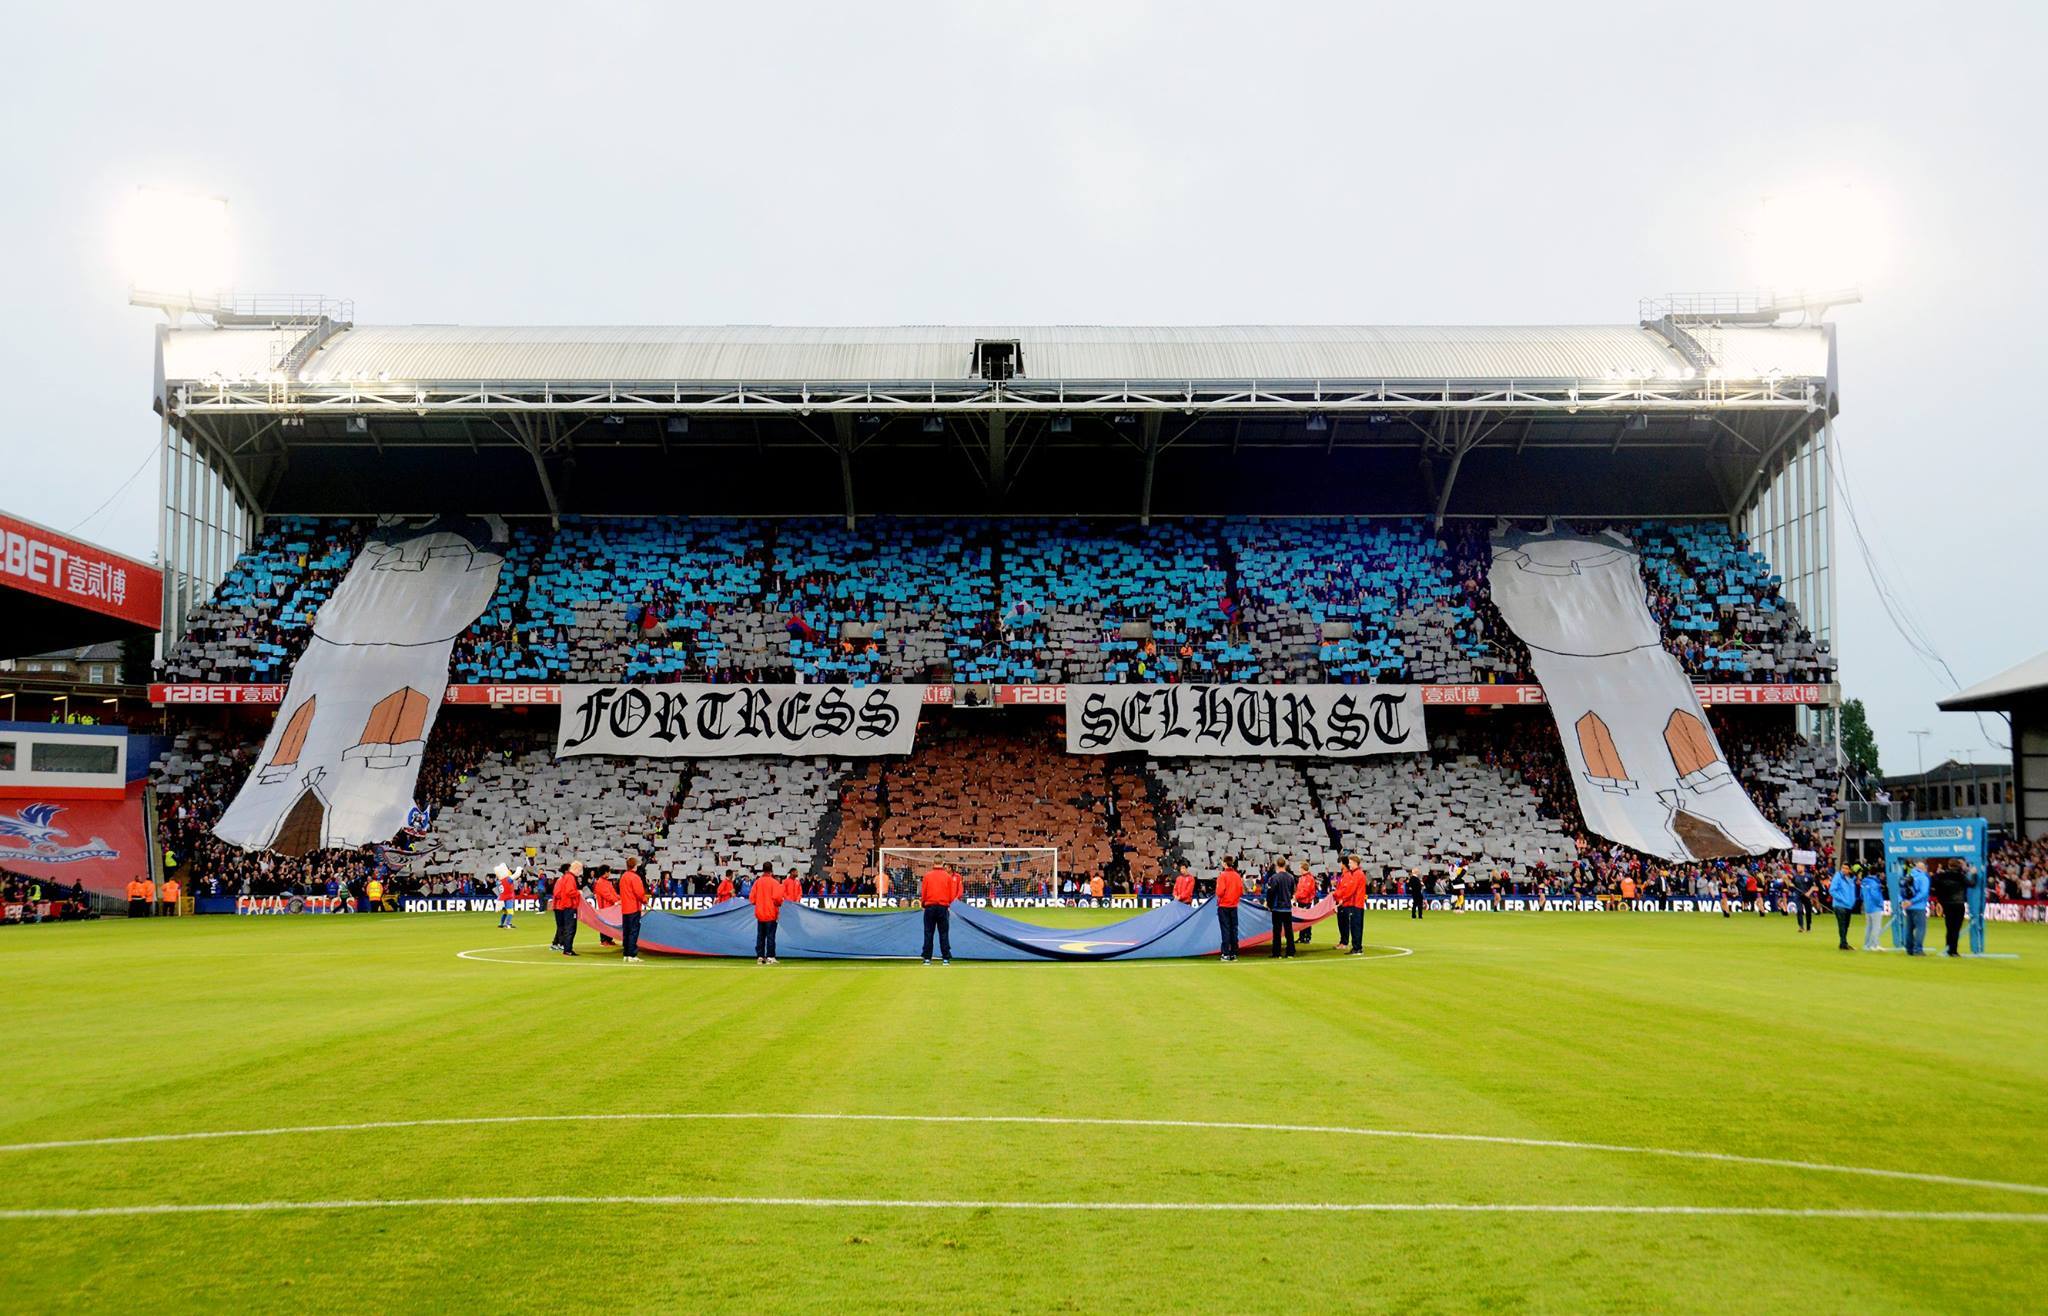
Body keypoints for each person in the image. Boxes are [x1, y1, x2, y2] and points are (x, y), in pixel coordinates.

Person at [920, 861, 959, 964]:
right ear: (942, 863)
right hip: (943, 907)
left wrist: (923, 904)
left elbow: (924, 892)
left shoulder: (927, 876)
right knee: (944, 933)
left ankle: (927, 958)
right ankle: (946, 958)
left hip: (930, 907)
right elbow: (951, 894)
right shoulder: (947, 876)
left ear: (933, 863)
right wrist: (948, 904)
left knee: (928, 932)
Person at [1932, 862, 1969, 958]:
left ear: (1949, 865)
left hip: (1947, 904)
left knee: (1949, 928)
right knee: (1956, 929)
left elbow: (1935, 884)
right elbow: (1971, 884)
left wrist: (1937, 873)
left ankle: (1948, 948)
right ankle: (1953, 951)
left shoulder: (1943, 875)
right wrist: (1973, 874)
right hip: (1958, 904)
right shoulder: (1960, 876)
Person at [750, 868, 785, 964]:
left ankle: (760, 957)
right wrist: (778, 904)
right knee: (770, 936)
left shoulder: (757, 882)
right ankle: (770, 956)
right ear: (771, 871)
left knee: (760, 936)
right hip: (771, 913)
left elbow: (752, 899)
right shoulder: (774, 883)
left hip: (760, 913)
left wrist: (759, 903)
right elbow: (778, 898)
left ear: (763, 870)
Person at [1335, 855, 1367, 955]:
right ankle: (1356, 947)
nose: (1349, 864)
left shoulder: (1357, 874)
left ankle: (1357, 948)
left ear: (1355, 863)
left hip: (1355, 904)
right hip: (1357, 903)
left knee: (1355, 927)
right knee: (1355, 926)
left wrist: (1343, 899)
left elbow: (1351, 890)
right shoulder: (1358, 873)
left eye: (1350, 863)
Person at [1263, 859, 1296, 959]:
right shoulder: (1291, 877)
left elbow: (1271, 892)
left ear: (1277, 865)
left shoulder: (1274, 878)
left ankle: (1277, 953)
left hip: (1277, 908)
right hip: (1287, 907)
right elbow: (1292, 891)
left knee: (1277, 931)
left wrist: (1269, 904)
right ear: (1285, 865)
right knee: (1289, 931)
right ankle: (1290, 952)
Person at [618, 856, 648, 963]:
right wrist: (645, 901)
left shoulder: (623, 877)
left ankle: (626, 954)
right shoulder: (635, 877)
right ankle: (632, 954)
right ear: (635, 866)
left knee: (626, 932)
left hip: (625, 908)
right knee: (633, 931)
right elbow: (639, 893)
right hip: (633, 908)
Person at [551, 861, 584, 956]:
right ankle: (566, 948)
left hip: (564, 905)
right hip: (568, 906)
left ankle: (563, 945)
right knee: (569, 928)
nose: (580, 872)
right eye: (580, 870)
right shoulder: (570, 878)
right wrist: (578, 892)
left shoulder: (565, 878)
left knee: (564, 927)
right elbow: (569, 892)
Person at [1215, 856, 1243, 961]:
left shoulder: (1222, 876)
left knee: (1225, 929)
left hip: (1224, 906)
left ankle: (1225, 953)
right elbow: (1241, 891)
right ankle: (1234, 953)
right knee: (1234, 929)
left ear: (1224, 863)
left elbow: (1219, 892)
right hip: (1234, 906)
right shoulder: (1237, 876)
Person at [1902, 862, 1931, 957]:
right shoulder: (1923, 878)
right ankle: (1918, 950)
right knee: (1920, 928)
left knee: (1909, 928)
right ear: (1924, 868)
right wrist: (1912, 901)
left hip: (1908, 907)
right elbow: (1923, 893)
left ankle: (1909, 949)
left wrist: (1904, 902)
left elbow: (1901, 890)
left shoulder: (1908, 876)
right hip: (1919, 906)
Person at [1828, 865, 1857, 950]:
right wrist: (1841, 899)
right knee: (1842, 925)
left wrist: (1852, 901)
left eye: (1846, 868)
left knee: (1846, 925)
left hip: (1848, 906)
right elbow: (1832, 890)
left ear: (1850, 870)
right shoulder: (1838, 877)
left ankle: (1843, 943)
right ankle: (1844, 943)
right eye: (1843, 868)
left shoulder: (1851, 879)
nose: (1844, 870)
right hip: (1839, 905)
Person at [1860, 866, 1887, 951]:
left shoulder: (1864, 882)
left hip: (1867, 907)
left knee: (1869, 927)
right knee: (1876, 927)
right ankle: (1875, 945)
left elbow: (1861, 894)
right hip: (1875, 907)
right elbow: (1875, 895)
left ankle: (1867, 944)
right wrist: (1880, 904)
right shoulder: (1874, 883)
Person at [592, 866, 619, 946]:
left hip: (610, 907)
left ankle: (609, 939)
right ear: (605, 872)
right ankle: (604, 940)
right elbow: (607, 895)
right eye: (609, 871)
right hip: (604, 907)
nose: (610, 873)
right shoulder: (600, 882)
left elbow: (613, 894)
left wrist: (620, 899)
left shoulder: (606, 882)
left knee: (610, 924)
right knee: (604, 924)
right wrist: (617, 900)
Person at [495, 863, 519, 930]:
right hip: (508, 896)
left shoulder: (498, 881)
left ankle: (501, 924)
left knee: (505, 912)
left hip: (501, 897)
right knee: (510, 911)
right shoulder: (507, 876)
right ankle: (508, 924)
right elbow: (513, 877)